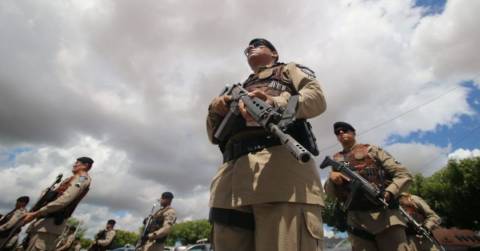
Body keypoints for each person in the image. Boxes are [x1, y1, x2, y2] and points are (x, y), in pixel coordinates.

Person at [207, 38, 327, 251]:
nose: (251, 48)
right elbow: (214, 135)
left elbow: (316, 98)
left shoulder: (288, 70)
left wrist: (275, 103)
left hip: (280, 167)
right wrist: (217, 107)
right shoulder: (238, 88)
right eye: (248, 48)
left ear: (275, 53)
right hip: (230, 176)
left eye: (259, 44)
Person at [324, 122, 413, 251]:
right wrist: (332, 180)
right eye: (338, 133)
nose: (341, 133)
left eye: (345, 130)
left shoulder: (372, 150)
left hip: (384, 215)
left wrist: (389, 192)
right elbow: (330, 194)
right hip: (356, 221)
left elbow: (404, 174)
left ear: (353, 132)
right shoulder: (337, 160)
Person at [23, 157, 93, 251]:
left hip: (51, 223)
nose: (74, 165)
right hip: (45, 222)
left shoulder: (81, 179)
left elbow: (65, 199)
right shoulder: (72, 178)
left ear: (86, 165)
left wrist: (37, 213)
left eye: (77, 163)